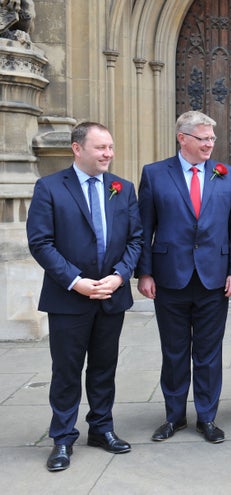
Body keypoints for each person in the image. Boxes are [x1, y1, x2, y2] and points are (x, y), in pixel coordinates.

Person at [26, 122, 142, 472]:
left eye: (110, 147)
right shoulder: (49, 187)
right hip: (69, 299)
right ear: (77, 148)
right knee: (66, 371)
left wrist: (120, 276)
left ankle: (101, 428)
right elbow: (40, 243)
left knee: (104, 368)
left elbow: (135, 239)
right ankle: (62, 437)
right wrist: (75, 282)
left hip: (111, 295)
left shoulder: (123, 188)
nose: (109, 154)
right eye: (101, 147)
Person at [136, 110, 231, 444]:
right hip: (170, 278)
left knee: (209, 353)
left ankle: (207, 417)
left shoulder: (227, 175)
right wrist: (144, 272)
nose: (210, 144)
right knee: (174, 352)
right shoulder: (155, 174)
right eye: (204, 138)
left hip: (214, 279)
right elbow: (145, 228)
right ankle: (174, 417)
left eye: (213, 138)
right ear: (182, 138)